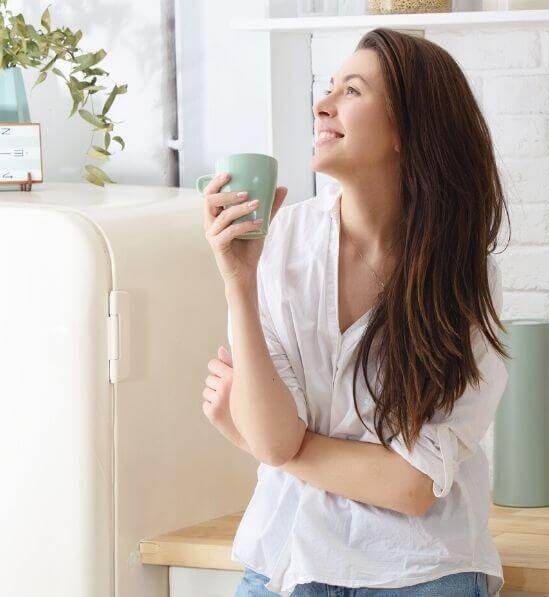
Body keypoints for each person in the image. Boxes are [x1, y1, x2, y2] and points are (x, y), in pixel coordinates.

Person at [199, 28, 511, 597]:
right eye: (328, 88)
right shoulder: (281, 243)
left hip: (421, 573)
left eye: (353, 91)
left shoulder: (462, 278)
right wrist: (238, 282)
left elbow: (413, 488)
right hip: (285, 567)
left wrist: (258, 440)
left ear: (406, 130)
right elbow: (277, 440)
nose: (323, 104)